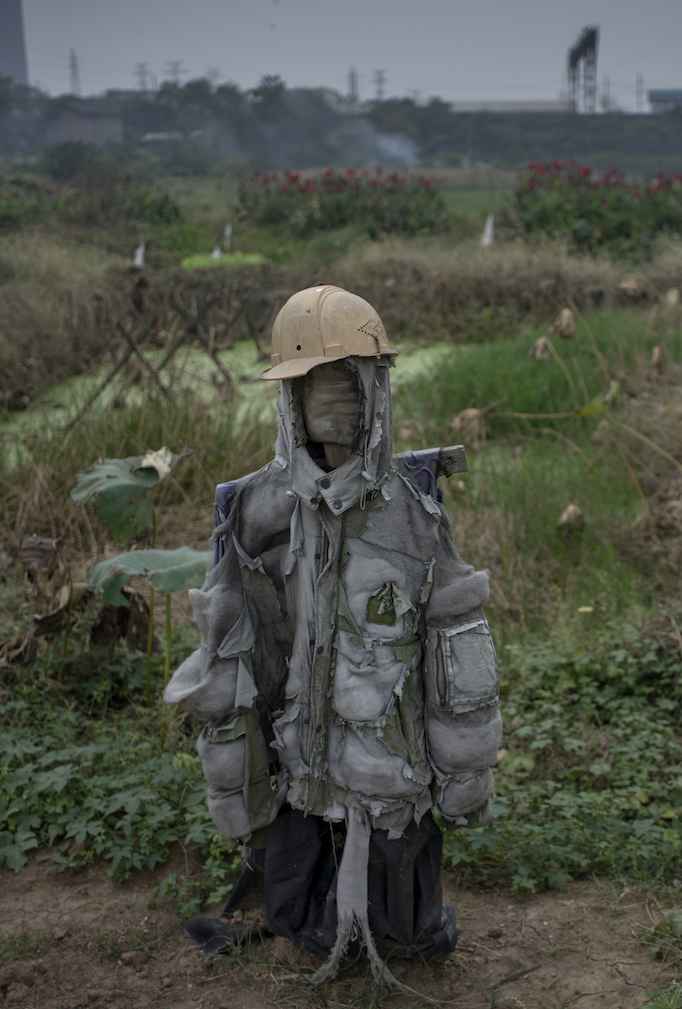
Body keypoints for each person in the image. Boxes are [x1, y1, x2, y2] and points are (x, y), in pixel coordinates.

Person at [165, 285, 500, 987]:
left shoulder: (413, 511)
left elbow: (453, 644)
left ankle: (390, 925)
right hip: (300, 754)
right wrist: (235, 764)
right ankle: (305, 915)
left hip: (388, 760)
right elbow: (232, 643)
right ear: (289, 398)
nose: (333, 407)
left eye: (347, 384)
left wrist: (466, 771)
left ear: (375, 387)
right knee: (297, 876)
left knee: (405, 916)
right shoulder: (255, 507)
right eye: (314, 386)